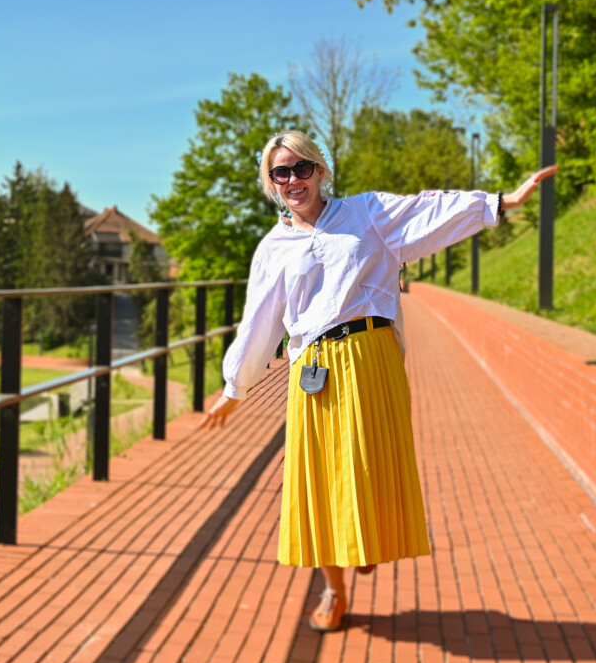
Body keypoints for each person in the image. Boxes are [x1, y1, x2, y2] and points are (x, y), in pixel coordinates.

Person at [199, 130, 556, 631]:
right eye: (281, 172)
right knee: (320, 481)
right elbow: (258, 321)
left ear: (321, 170)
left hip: (371, 356)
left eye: (302, 167)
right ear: (271, 183)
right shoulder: (273, 248)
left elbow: (430, 211)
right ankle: (334, 590)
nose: (293, 179)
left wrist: (501, 202)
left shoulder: (366, 213)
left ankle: (364, 539)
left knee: (371, 466)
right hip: (314, 370)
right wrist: (233, 388)